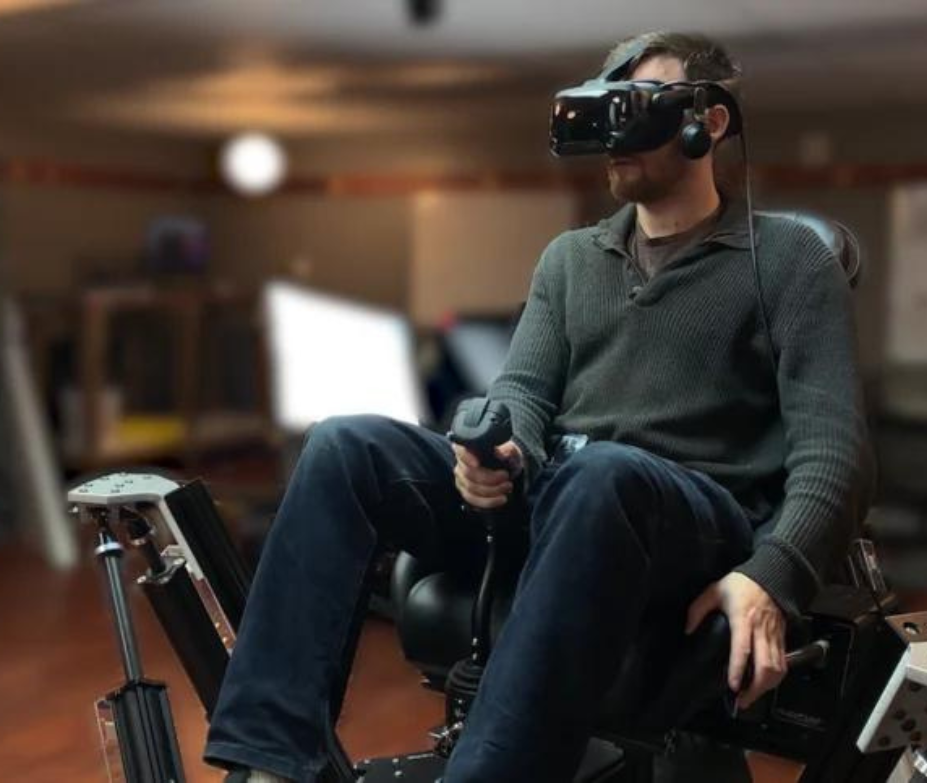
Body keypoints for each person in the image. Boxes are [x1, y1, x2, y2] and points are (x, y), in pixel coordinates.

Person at [203, 31, 873, 783]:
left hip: (687, 517)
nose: (612, 143)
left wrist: (771, 572)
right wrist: (503, 450)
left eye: (635, 112)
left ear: (707, 122)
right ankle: (268, 765)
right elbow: (521, 391)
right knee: (342, 445)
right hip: (568, 494)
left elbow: (834, 452)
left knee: (603, 474)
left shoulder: (787, 260)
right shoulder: (570, 258)